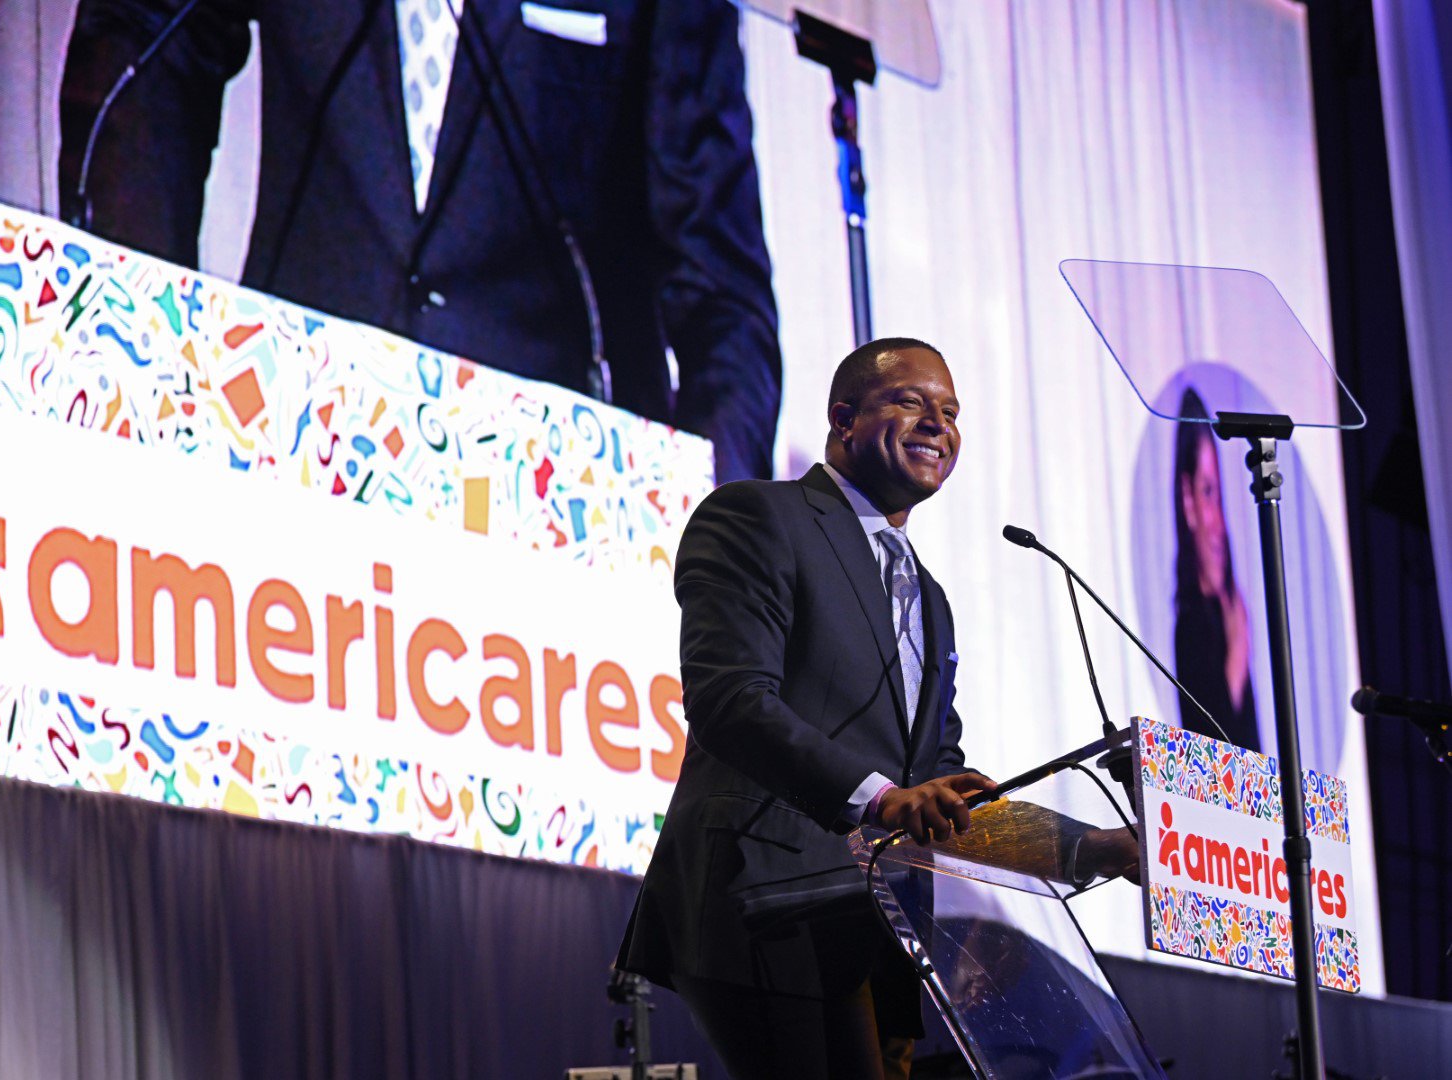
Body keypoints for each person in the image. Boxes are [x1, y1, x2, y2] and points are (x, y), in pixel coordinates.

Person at [56, 0, 781, 483]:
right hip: (290, 468)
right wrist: (142, 357)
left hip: (565, 526)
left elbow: (724, 294)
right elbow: (141, 49)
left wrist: (718, 537)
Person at [618, 337, 995, 1079]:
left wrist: (1089, 849)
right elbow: (729, 699)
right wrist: (883, 800)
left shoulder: (931, 597)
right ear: (842, 418)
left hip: (869, 927)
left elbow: (938, 776)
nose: (937, 424)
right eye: (911, 401)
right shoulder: (758, 515)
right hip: (761, 895)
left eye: (950, 411)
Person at [1172, 387, 1258, 750]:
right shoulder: (1192, 625)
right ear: (1187, 498)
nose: (1220, 522)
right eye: (1207, 492)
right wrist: (1238, 646)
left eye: (1219, 494)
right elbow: (1222, 747)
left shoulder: (1225, 607)